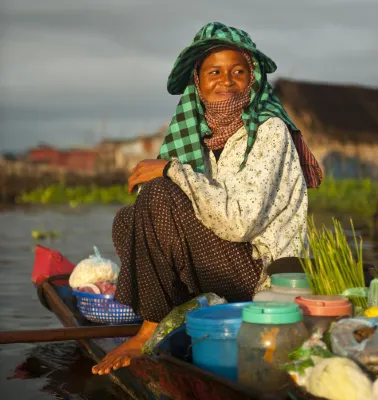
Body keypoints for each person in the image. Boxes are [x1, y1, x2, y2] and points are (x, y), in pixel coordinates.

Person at [92, 22, 322, 375]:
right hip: (224, 263)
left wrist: (174, 171)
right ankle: (177, 311)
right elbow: (167, 215)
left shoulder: (269, 130)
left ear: (252, 79)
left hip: (262, 277)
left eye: (238, 71)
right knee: (129, 217)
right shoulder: (202, 138)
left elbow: (241, 223)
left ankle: (148, 331)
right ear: (198, 82)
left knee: (160, 190)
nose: (226, 80)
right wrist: (175, 175)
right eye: (214, 71)